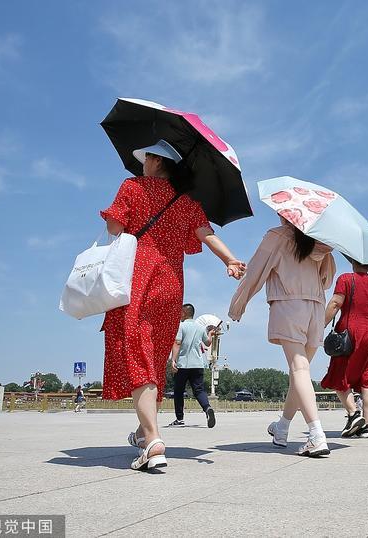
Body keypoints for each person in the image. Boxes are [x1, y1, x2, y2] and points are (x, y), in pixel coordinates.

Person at [100, 139, 245, 471]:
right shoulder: (186, 201)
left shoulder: (133, 187)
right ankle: (142, 430)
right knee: (153, 357)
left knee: (136, 354)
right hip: (171, 286)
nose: (142, 164)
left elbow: (114, 226)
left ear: (155, 161)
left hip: (136, 281)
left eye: (145, 158)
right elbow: (206, 234)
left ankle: (152, 440)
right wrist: (231, 260)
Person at [228, 217, 336, 457]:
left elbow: (257, 270)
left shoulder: (278, 235)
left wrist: (238, 304)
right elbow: (327, 279)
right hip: (316, 307)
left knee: (298, 370)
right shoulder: (321, 243)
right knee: (300, 373)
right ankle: (282, 428)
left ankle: (316, 434)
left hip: (289, 304)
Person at [321, 258, 368, 438]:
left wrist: (320, 326)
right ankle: (367, 427)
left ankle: (353, 414)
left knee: (339, 373)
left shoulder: (346, 279)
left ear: (353, 262)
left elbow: (335, 303)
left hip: (351, 332)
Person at [168, 303, 217, 428]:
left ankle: (179, 419)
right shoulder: (200, 327)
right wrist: (210, 333)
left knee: (178, 391)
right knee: (199, 390)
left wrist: (173, 360)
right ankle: (207, 408)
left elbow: (177, 343)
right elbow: (207, 342)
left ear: (184, 313)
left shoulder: (181, 326)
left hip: (183, 364)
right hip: (198, 364)